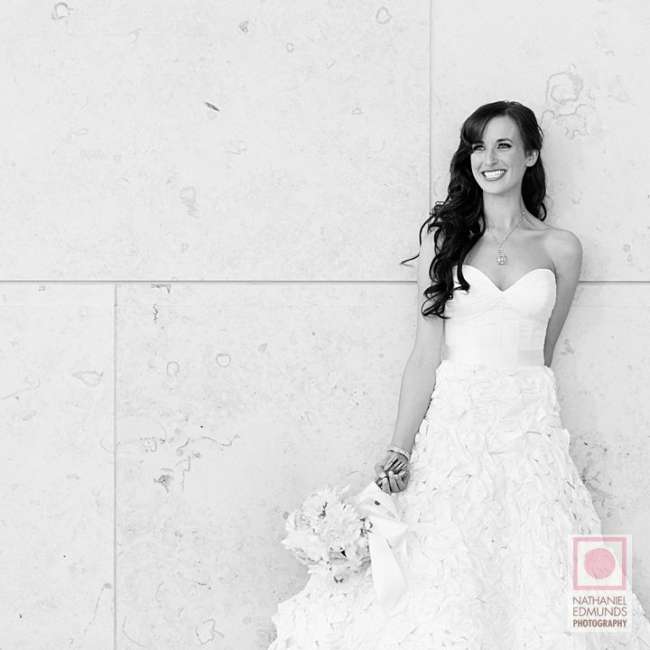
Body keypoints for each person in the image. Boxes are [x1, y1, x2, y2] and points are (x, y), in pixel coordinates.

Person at [267, 100, 650, 648]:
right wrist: (399, 448)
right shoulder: (442, 243)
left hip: (529, 435)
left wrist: (526, 423)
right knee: (443, 573)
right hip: (455, 431)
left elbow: (542, 352)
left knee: (557, 571)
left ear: (531, 155)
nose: (488, 158)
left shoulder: (562, 248)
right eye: (477, 146)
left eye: (503, 145)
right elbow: (425, 354)